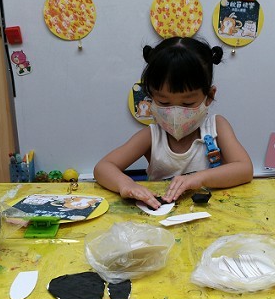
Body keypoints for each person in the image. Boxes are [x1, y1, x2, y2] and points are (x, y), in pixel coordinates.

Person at [94, 36, 253, 210]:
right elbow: (103, 167)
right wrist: (126, 185)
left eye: (187, 103)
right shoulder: (151, 136)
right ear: (151, 97)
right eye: (164, 102)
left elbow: (245, 169)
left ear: (209, 96)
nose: (176, 112)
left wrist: (198, 178)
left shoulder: (217, 127)